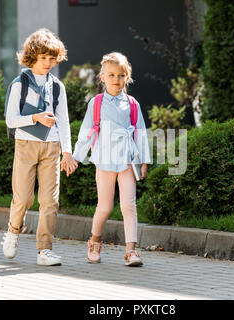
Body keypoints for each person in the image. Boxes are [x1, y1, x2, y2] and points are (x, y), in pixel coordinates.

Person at [2, 28, 78, 266]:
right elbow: (10, 120)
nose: (48, 63)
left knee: (50, 201)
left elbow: (63, 120)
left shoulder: (57, 87)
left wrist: (67, 151)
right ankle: (13, 231)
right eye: (43, 57)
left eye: (51, 58)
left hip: (52, 147)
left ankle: (44, 250)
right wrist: (35, 118)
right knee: (23, 199)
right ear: (32, 56)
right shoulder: (19, 84)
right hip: (26, 145)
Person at [73, 52, 151, 267]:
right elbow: (87, 132)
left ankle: (131, 251)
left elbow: (140, 132)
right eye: (112, 75)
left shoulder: (133, 104)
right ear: (103, 77)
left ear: (128, 77)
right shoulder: (96, 103)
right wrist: (75, 157)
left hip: (127, 160)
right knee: (105, 207)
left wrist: (143, 160)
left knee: (129, 206)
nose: (117, 80)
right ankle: (95, 242)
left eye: (121, 75)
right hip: (105, 161)